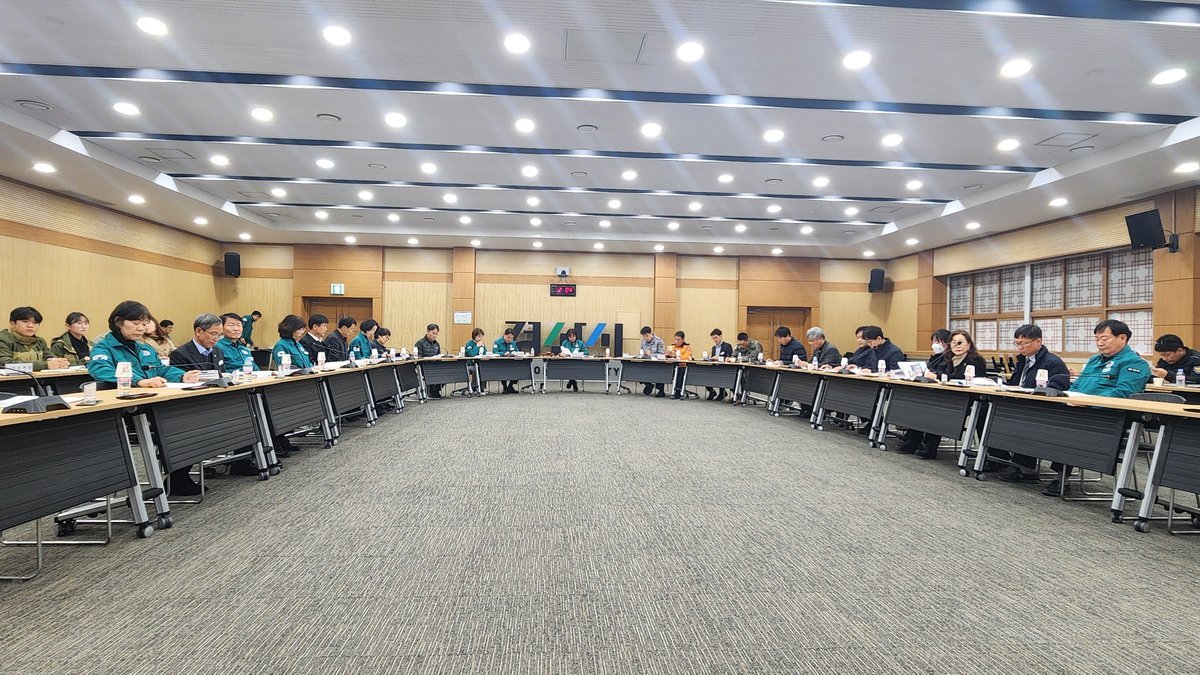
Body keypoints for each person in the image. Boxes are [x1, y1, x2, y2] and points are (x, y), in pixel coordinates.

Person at [1040, 319, 1148, 497]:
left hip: (1110, 416)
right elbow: (1077, 385)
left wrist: (1089, 401)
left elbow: (1124, 393)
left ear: (1122, 338)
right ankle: (1025, 464)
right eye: (1097, 339)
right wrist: (1067, 397)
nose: (1100, 343)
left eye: (1104, 338)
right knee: (1044, 418)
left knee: (1069, 427)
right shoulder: (1094, 360)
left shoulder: (1135, 363)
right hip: (1083, 409)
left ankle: (1061, 477)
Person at [995, 324, 1072, 483]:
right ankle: (999, 459)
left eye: (1024, 343)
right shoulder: (1022, 360)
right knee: (992, 413)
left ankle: (1026, 469)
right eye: (1017, 343)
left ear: (1038, 341)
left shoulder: (1052, 362)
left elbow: (1059, 388)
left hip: (1044, 408)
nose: (1020, 347)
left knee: (1025, 420)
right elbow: (1016, 383)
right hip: (1022, 404)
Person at [894, 330, 988, 459]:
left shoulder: (975, 360)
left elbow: (961, 378)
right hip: (947, 396)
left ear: (969, 344)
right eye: (954, 343)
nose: (957, 346)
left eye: (960, 343)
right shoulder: (948, 358)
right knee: (923, 404)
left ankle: (929, 445)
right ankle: (913, 440)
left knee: (936, 407)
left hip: (966, 398)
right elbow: (937, 371)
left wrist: (937, 376)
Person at [0, 306, 70, 371]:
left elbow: (50, 357)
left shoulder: (40, 341)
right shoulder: (3, 339)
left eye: (35, 323)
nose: (30, 326)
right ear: (12, 324)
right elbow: (5, 364)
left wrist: (59, 362)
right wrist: (45, 365)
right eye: (25, 321)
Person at [415, 323, 443, 397]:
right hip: (424, 366)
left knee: (445, 371)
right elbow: (418, 358)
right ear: (428, 331)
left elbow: (439, 356)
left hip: (434, 366)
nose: (435, 335)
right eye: (433, 333)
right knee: (433, 372)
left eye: (436, 334)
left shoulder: (437, 344)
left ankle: (435, 390)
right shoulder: (420, 343)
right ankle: (431, 390)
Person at [638, 326, 667, 397]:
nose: (645, 338)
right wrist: (642, 355)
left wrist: (651, 355)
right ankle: (648, 384)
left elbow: (661, 355)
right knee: (636, 369)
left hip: (657, 363)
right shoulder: (643, 341)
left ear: (651, 333)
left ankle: (660, 390)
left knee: (660, 370)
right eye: (643, 336)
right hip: (646, 362)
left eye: (647, 335)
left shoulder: (659, 341)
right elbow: (641, 352)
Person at [706, 328, 734, 400]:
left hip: (725, 368)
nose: (715, 340)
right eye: (713, 338)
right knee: (705, 374)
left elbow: (728, 358)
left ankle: (722, 393)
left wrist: (718, 358)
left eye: (716, 338)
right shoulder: (713, 348)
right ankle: (712, 391)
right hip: (715, 367)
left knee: (720, 375)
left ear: (721, 336)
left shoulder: (727, 346)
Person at [492, 328, 522, 393]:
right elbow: (494, 352)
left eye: (511, 338)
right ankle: (505, 387)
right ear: (504, 335)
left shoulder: (513, 343)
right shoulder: (497, 342)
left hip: (512, 363)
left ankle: (510, 386)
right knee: (503, 370)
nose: (509, 339)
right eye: (508, 337)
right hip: (501, 363)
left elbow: (517, 351)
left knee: (519, 368)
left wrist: (516, 353)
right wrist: (503, 354)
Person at [560, 328, 587, 392]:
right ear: (567, 337)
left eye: (573, 336)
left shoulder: (580, 343)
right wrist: (562, 354)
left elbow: (586, 352)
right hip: (567, 362)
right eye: (570, 337)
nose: (572, 338)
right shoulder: (564, 343)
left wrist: (580, 353)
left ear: (576, 336)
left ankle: (572, 381)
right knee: (568, 367)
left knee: (573, 367)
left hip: (578, 362)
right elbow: (561, 352)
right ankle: (573, 382)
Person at [667, 331, 693, 399]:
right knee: (664, 369)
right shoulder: (672, 346)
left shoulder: (687, 347)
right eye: (675, 339)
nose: (676, 341)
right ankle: (660, 390)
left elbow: (687, 357)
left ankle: (678, 390)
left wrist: (676, 355)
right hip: (672, 366)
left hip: (683, 366)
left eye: (678, 340)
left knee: (680, 371)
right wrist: (668, 355)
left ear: (683, 340)